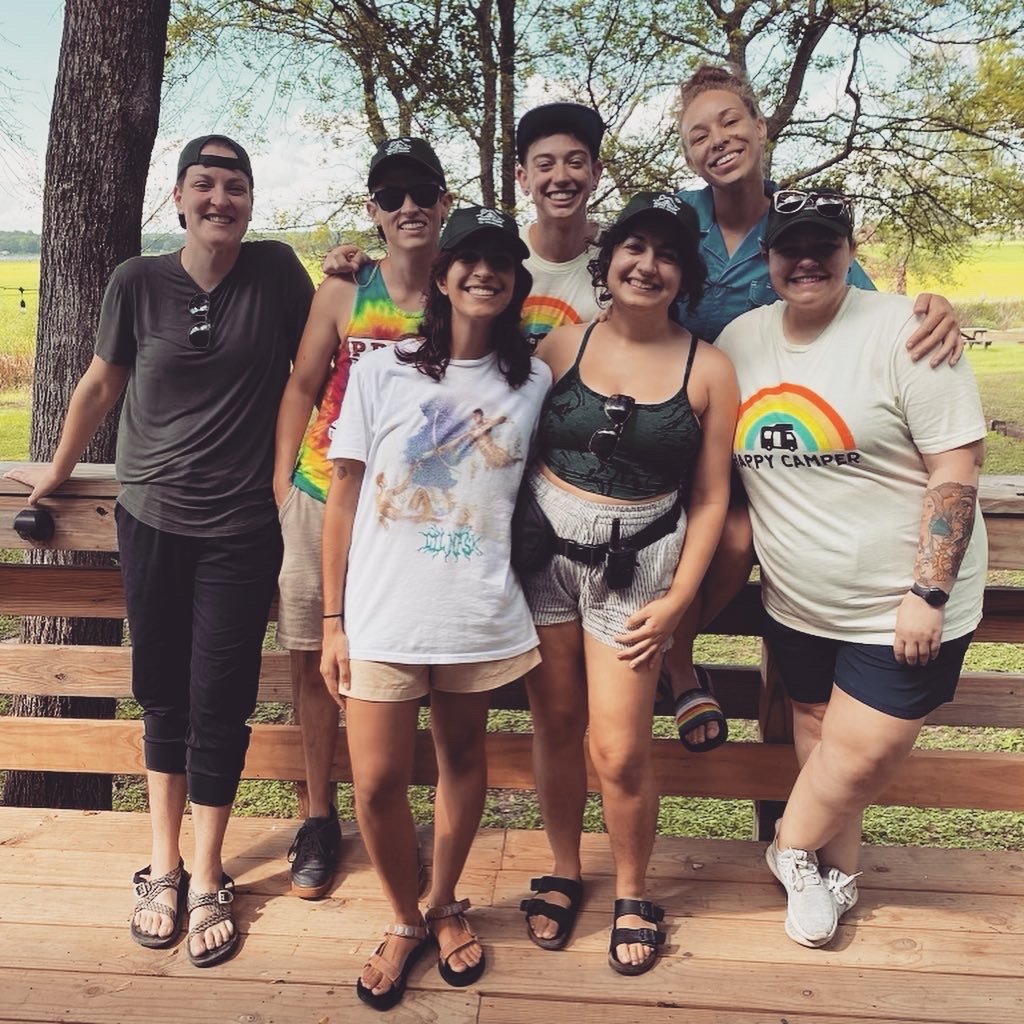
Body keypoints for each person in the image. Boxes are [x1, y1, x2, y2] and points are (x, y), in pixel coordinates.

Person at [5, 136, 314, 967]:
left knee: (222, 699)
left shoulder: (278, 273)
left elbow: (318, 370)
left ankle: (209, 873)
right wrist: (54, 475)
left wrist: (358, 274)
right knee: (161, 694)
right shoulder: (137, 281)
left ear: (251, 200)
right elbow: (101, 384)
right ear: (178, 197)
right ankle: (163, 867)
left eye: (235, 186)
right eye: (204, 184)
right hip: (150, 522)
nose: (220, 199)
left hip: (243, 527)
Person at [662, 63, 968, 752]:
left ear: (760, 126)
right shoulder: (679, 220)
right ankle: (676, 668)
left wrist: (930, 308)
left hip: (768, 438)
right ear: (687, 152)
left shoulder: (801, 223)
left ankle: (668, 650)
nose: (718, 140)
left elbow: (863, 313)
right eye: (698, 134)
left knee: (735, 540)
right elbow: (622, 262)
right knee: (660, 539)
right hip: (678, 424)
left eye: (731, 121)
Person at [716, 188, 986, 947]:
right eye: (790, 247)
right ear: (766, 256)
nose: (806, 261)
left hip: (902, 602)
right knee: (816, 728)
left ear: (850, 249)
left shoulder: (906, 331)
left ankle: (787, 846)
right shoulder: (740, 340)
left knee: (864, 751)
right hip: (799, 600)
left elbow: (956, 466)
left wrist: (928, 590)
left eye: (823, 245)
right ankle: (830, 876)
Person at [319, 206, 551, 1010]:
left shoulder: (534, 379)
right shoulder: (382, 370)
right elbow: (343, 495)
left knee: (462, 760)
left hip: (474, 609)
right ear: (444, 276)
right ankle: (403, 918)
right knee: (377, 781)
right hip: (382, 612)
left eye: (501, 263)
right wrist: (332, 621)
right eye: (469, 260)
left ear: (517, 282)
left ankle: (446, 901)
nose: (484, 273)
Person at [518, 193, 738, 974]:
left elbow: (710, 497)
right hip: (545, 558)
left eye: (668, 254)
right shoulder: (560, 347)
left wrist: (679, 602)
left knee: (617, 750)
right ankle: (563, 868)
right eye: (635, 248)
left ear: (686, 274)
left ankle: (635, 891)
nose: (648, 266)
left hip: (639, 569)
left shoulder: (709, 369)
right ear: (608, 260)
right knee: (554, 723)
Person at [273, 137, 451, 899]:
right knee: (316, 661)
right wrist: (282, 484)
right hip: (324, 494)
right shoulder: (345, 292)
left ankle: (402, 816)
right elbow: (302, 386)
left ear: (445, 202)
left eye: (422, 193)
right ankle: (319, 815)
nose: (409, 207)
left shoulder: (462, 289)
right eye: (391, 196)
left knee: (414, 665)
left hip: (413, 510)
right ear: (374, 210)